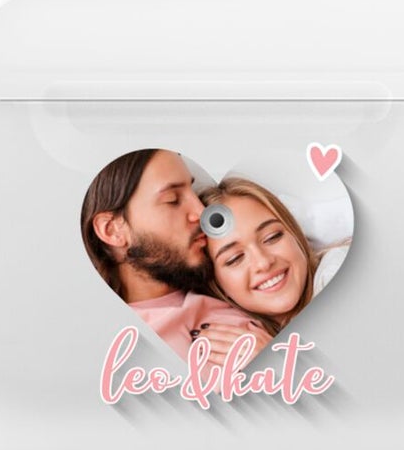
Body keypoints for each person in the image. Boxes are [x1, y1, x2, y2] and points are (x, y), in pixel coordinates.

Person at [80, 149, 267, 363]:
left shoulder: (239, 292)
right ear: (112, 230)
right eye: (173, 200)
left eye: (194, 193)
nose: (201, 212)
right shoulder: (102, 345)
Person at [197, 176, 350, 335]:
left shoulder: (338, 270)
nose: (263, 262)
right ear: (217, 285)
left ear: (294, 233)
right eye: (235, 258)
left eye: (272, 237)